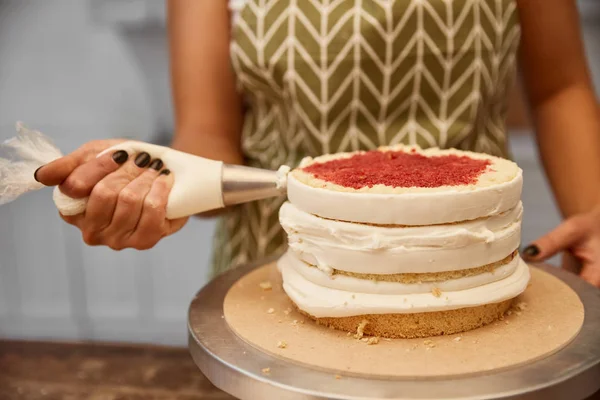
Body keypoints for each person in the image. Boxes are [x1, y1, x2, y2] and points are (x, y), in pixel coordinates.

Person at [34, 0, 600, 287]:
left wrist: (595, 216)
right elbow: (210, 131)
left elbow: (558, 87)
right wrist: (164, 185)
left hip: (460, 262)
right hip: (282, 270)